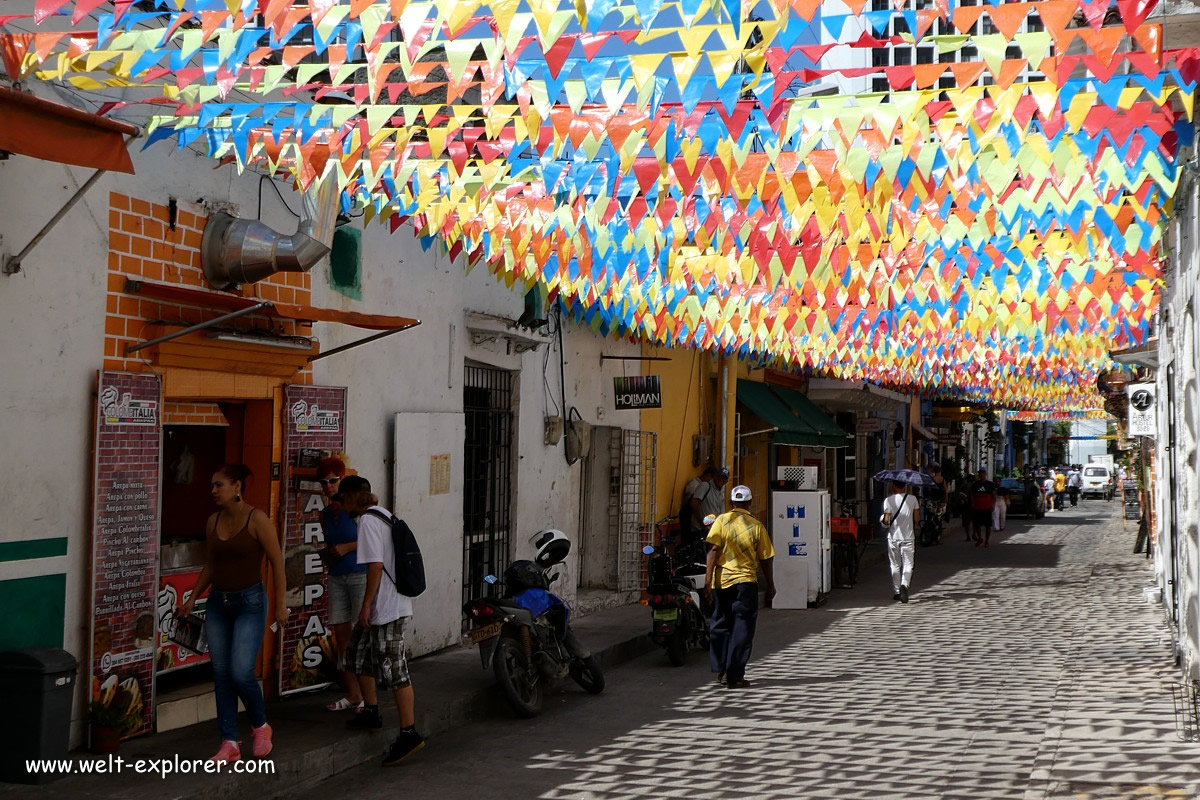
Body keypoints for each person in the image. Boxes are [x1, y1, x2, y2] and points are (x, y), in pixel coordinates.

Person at [178, 464, 287, 764]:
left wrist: (280, 605)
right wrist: (192, 598)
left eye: (219, 485)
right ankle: (229, 741)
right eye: (212, 486)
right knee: (222, 674)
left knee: (240, 671)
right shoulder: (212, 521)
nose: (213, 491)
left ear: (237, 487)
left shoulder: (257, 519)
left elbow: (277, 562)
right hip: (217, 603)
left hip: (250, 602)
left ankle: (260, 725)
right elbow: (211, 566)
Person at [338, 476, 425, 767]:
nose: (341, 506)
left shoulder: (367, 521)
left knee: (395, 670)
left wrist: (365, 606)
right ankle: (371, 712)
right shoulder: (382, 514)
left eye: (342, 500)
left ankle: (409, 732)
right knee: (357, 655)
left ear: (351, 498)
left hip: (387, 607)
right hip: (384, 605)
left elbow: (375, 567)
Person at [705, 485, 775, 689]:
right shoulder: (756, 526)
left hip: (722, 582)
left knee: (720, 624)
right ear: (750, 503)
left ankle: (721, 669)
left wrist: (707, 581)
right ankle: (734, 674)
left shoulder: (721, 520)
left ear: (731, 503)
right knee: (742, 629)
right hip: (745, 584)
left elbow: (712, 550)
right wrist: (771, 585)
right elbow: (765, 559)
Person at [317, 457, 366, 713]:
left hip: (359, 575)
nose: (328, 486)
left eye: (333, 480)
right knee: (341, 637)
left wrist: (346, 548)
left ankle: (368, 696)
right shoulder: (325, 514)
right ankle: (354, 693)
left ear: (342, 479)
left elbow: (373, 541)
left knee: (361, 634)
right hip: (336, 576)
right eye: (323, 482)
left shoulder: (356, 509)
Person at [881, 481, 920, 603]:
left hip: (893, 538)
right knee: (908, 564)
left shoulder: (888, 500)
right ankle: (905, 584)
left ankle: (897, 591)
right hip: (908, 537)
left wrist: (883, 519)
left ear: (893, 486)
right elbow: (917, 519)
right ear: (905, 486)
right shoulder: (913, 499)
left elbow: (886, 521)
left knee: (895, 565)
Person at [678, 466, 716, 545]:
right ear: (708, 476)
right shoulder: (695, 485)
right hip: (690, 519)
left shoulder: (703, 485)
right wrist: (700, 520)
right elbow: (693, 504)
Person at [968, 469, 997, 547]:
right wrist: (973, 504)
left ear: (985, 474)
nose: (981, 475)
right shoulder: (975, 484)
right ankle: (980, 538)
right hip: (977, 508)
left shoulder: (990, 484)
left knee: (988, 525)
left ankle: (987, 541)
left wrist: (993, 505)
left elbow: (994, 496)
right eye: (980, 473)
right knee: (977, 525)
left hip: (987, 508)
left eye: (983, 473)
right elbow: (972, 495)